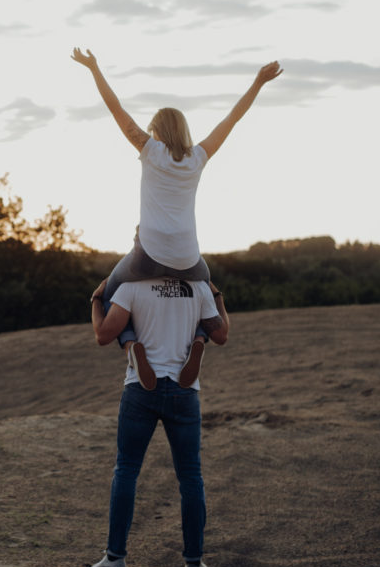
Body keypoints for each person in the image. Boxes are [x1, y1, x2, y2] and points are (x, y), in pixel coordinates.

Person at [71, 48, 279, 388]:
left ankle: (131, 347)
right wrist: (258, 82)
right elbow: (232, 119)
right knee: (205, 296)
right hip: (188, 259)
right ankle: (199, 341)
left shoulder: (149, 150)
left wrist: (94, 68)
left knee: (109, 293)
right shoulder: (199, 157)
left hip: (148, 255)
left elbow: (115, 108)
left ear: (157, 131)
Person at [88, 273, 230, 567]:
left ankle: (115, 557)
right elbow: (222, 334)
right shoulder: (198, 287)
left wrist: (97, 299)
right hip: (184, 389)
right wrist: (215, 294)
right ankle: (194, 561)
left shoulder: (131, 285)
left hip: (141, 389)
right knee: (190, 475)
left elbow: (102, 334)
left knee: (127, 469)